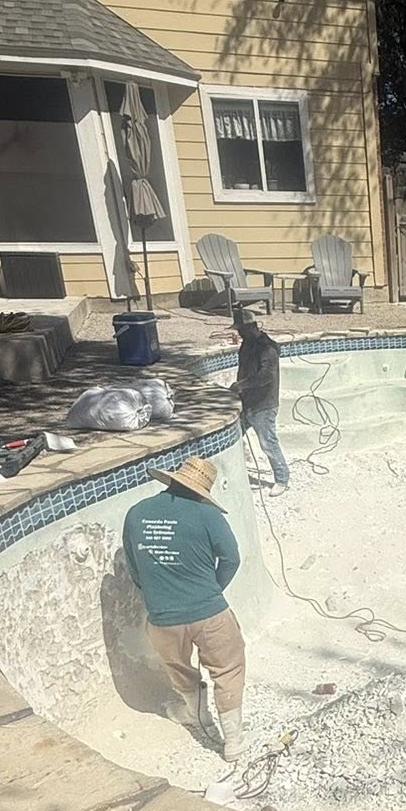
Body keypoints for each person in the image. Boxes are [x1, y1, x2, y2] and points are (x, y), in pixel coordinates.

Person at [122, 456, 248, 760]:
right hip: (209, 612)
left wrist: (159, 595)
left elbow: (134, 568)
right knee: (228, 668)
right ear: (202, 489)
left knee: (178, 667)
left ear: (173, 480)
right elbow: (231, 559)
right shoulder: (209, 516)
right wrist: (212, 591)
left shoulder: (136, 514)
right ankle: (232, 740)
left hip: (162, 617)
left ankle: (198, 715)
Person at [233, 307, 289, 489]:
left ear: (253, 327)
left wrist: (242, 385)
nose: (239, 333)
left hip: (264, 404)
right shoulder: (246, 345)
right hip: (247, 401)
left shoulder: (267, 348)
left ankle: (282, 479)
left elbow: (267, 376)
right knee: (232, 436)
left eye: (241, 330)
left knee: (268, 443)